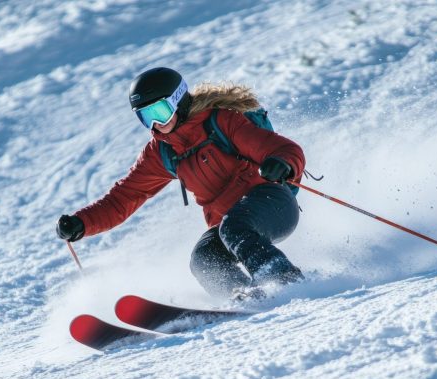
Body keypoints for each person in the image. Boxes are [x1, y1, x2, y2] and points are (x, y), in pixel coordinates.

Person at [56, 67, 305, 299]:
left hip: (273, 204)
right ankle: (245, 297)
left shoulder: (221, 122)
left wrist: (281, 162)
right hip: (229, 225)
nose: (156, 124)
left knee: (233, 226)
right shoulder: (162, 152)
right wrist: (82, 223)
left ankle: (283, 279)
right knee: (203, 259)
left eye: (159, 112)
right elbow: (125, 196)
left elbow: (283, 148)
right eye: (145, 117)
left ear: (178, 100)